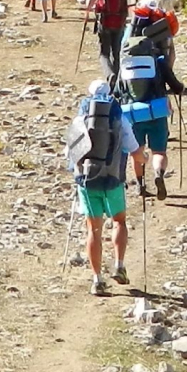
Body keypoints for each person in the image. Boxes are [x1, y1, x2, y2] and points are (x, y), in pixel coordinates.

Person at [65, 80, 137, 295]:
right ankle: (119, 265)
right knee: (119, 221)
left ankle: (97, 280)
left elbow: (69, 154)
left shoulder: (81, 119)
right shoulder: (119, 117)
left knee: (93, 230)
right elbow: (134, 148)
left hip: (88, 180)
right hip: (113, 178)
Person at [119, 0, 186, 200]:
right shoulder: (159, 61)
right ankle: (159, 174)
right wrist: (179, 89)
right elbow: (175, 85)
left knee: (137, 151)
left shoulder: (125, 64)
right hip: (156, 111)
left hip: (133, 114)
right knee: (159, 152)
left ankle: (140, 185)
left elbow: (117, 90)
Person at [83, 0, 129, 80]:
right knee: (117, 52)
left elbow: (91, 0)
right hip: (119, 21)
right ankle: (118, 79)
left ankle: (110, 75)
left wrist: (87, 12)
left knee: (104, 53)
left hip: (104, 20)